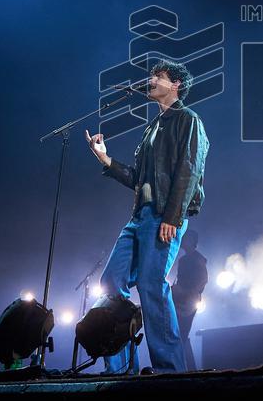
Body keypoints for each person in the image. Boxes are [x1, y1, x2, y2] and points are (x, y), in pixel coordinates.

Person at [85, 59, 208, 373]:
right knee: (111, 281)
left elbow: (189, 170)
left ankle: (169, 369)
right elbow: (137, 178)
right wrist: (106, 159)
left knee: (152, 282)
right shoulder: (152, 128)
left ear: (176, 85)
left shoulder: (187, 120)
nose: (151, 79)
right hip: (139, 216)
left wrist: (173, 216)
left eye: (160, 76)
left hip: (164, 216)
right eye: (152, 75)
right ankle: (122, 367)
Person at [171, 229, 208, 370]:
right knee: (180, 336)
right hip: (182, 300)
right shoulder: (184, 260)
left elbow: (202, 280)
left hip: (188, 302)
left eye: (186, 239)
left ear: (192, 241)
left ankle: (186, 368)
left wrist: (186, 292)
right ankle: (185, 367)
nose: (183, 241)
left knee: (181, 335)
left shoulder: (197, 259)